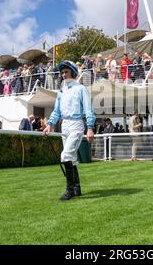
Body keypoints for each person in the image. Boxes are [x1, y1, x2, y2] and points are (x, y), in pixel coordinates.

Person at [44, 60, 96, 201]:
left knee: (65, 155)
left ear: (73, 72)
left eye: (66, 72)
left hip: (76, 124)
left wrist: (90, 128)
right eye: (62, 72)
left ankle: (70, 190)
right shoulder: (61, 91)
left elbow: (88, 110)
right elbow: (56, 111)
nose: (63, 75)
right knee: (71, 159)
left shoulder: (81, 89)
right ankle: (77, 187)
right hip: (64, 125)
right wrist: (49, 124)